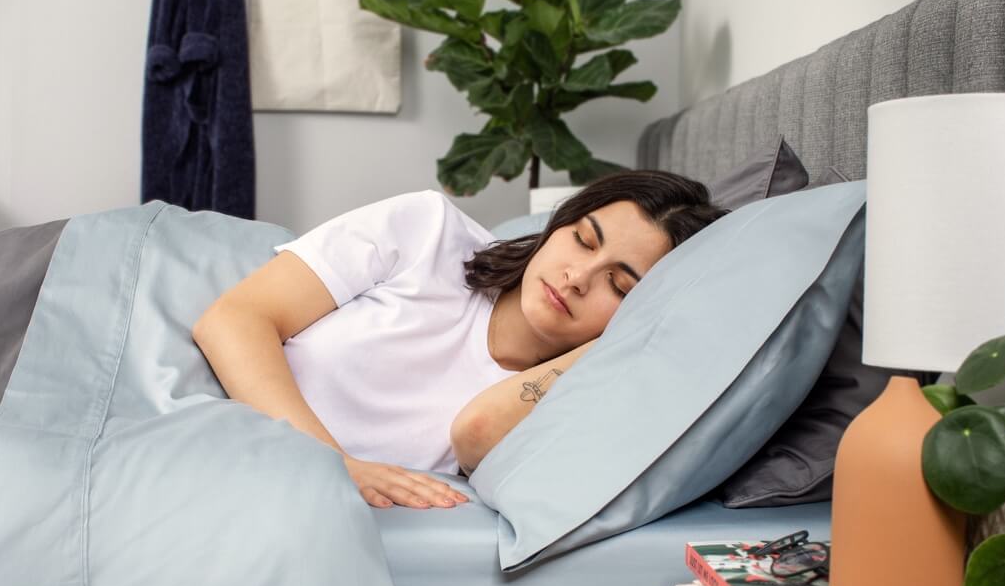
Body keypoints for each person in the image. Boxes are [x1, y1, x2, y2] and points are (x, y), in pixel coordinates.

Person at [192, 170, 725, 511]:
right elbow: (233, 320)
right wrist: (330, 464)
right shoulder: (429, 229)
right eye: (583, 240)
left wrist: (627, 333)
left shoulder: (571, 395)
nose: (577, 277)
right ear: (560, 223)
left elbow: (477, 430)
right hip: (196, 402)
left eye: (619, 284)